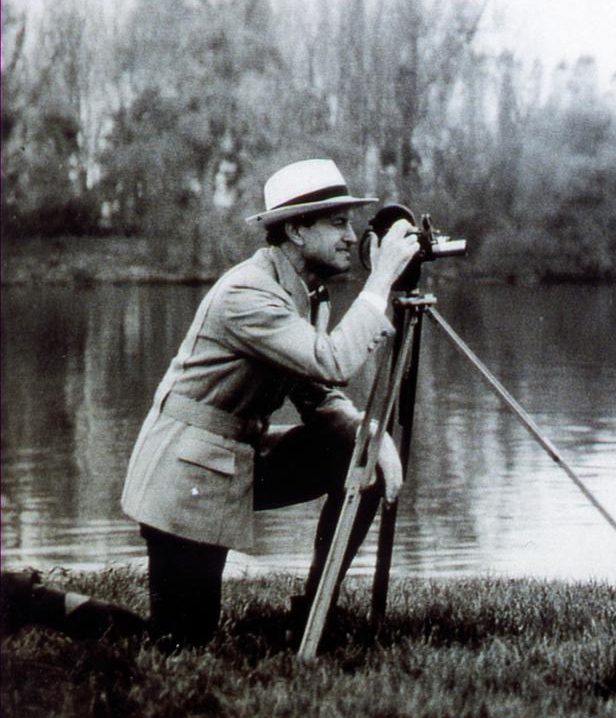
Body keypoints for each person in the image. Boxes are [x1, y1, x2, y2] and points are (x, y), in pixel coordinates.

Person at [119, 158, 421, 649]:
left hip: (234, 459)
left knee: (358, 457)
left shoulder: (304, 292)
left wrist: (369, 435)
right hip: (186, 473)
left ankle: (315, 613)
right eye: (338, 223)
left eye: (350, 223)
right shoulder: (248, 293)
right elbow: (330, 362)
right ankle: (42, 603)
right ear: (297, 230)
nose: (352, 236)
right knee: (179, 641)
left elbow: (316, 391)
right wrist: (380, 281)